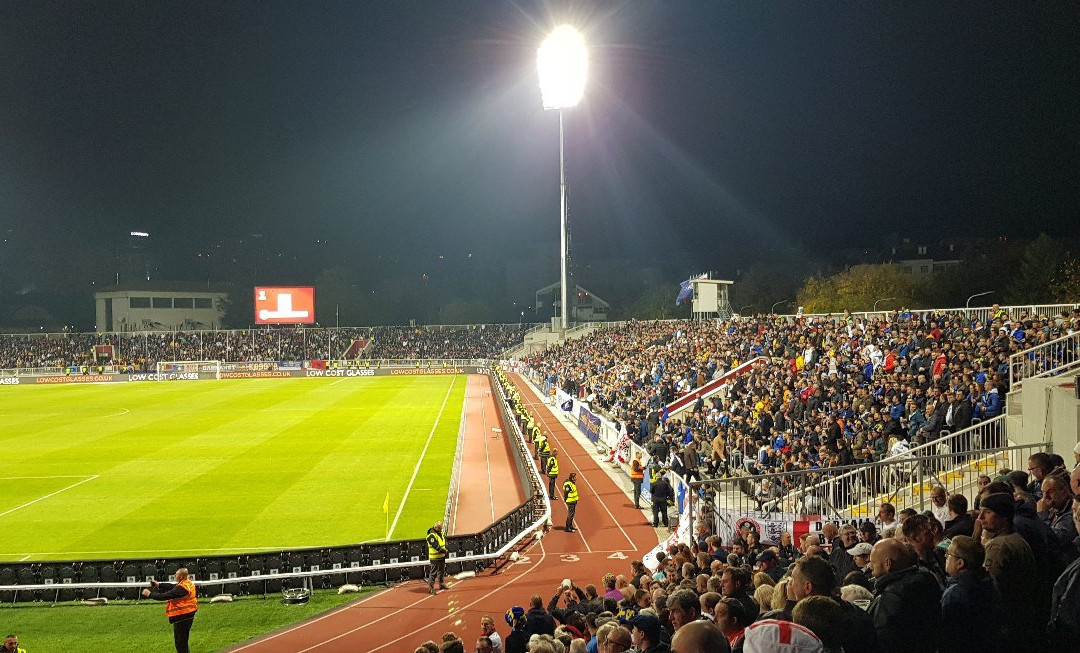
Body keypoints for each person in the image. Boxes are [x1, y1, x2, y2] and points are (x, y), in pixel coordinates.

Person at [867, 539, 941, 653]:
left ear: (888, 563)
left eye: (873, 562)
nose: (870, 566)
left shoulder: (891, 598)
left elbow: (883, 640)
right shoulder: (927, 581)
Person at [940, 535, 1001, 652]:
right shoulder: (989, 580)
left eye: (948, 554)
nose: (945, 556)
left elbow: (949, 637)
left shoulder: (955, 594)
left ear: (960, 563)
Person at [140, 567, 198, 653]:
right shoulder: (187, 583)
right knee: (182, 642)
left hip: (182, 616)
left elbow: (167, 595)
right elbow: (172, 586)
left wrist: (150, 594)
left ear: (181, 577)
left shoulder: (182, 588)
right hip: (187, 614)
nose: (175, 575)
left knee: (180, 643)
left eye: (176, 574)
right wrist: (158, 585)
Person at [426, 521, 448, 594]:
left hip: (442, 556)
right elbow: (435, 546)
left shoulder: (441, 533)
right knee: (433, 573)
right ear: (436, 528)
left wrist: (446, 548)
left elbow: (445, 542)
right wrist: (443, 551)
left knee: (441, 571)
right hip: (434, 557)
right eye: (440, 528)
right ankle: (431, 588)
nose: (441, 530)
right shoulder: (431, 536)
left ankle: (441, 584)